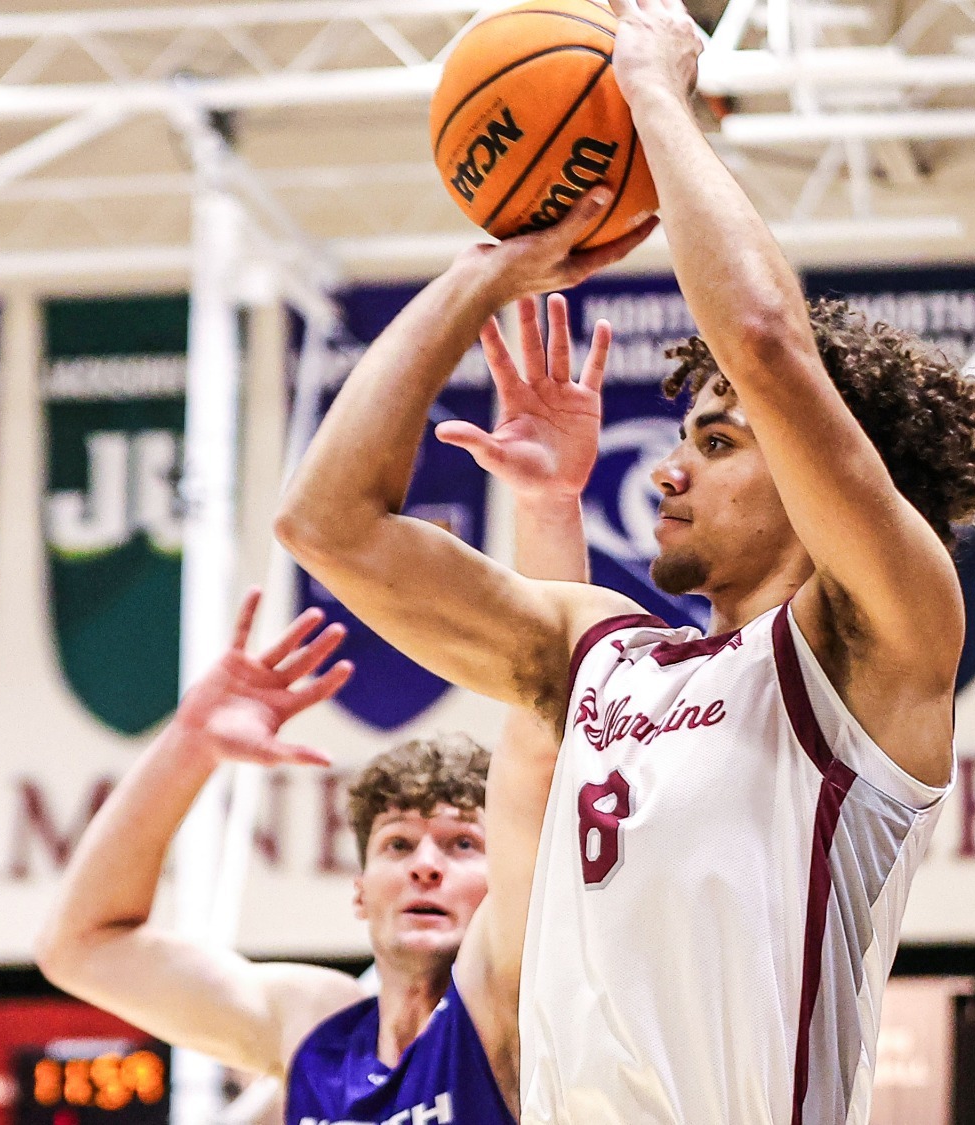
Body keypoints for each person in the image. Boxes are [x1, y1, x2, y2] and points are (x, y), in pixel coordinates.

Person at [273, 0, 975, 1119]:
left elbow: (764, 345)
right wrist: (490, 273)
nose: (666, 471)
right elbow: (325, 523)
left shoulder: (876, 647)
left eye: (716, 443)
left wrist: (659, 96)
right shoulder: (601, 658)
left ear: (816, 475)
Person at [35, 305, 619, 1124]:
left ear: (512, 880)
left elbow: (547, 715)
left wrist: (547, 504)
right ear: (359, 891)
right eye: (399, 845)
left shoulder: (507, 1003)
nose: (425, 866)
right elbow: (81, 945)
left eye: (461, 844)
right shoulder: (311, 1024)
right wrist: (188, 744)